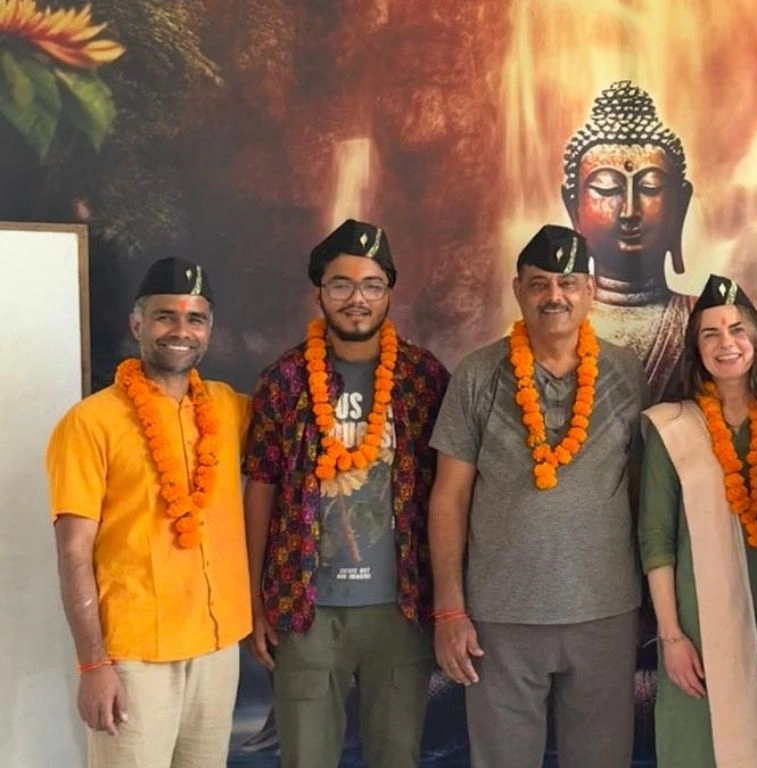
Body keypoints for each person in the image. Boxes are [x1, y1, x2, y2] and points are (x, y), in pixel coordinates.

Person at [428, 224, 645, 767]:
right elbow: (448, 498)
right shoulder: (478, 373)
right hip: (501, 617)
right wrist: (450, 609)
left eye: (568, 282)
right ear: (518, 290)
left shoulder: (626, 371)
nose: (555, 296)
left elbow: (644, 490)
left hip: (605, 611)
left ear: (590, 291)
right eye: (540, 283)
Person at [240, 220, 449, 767]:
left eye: (371, 285)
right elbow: (260, 485)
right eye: (341, 284)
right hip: (305, 608)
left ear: (389, 292)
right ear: (320, 292)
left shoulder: (424, 378)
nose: (357, 299)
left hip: (401, 608)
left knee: (396, 756)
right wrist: (254, 597)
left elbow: (452, 493)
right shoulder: (283, 380)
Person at [45, 257, 250, 767]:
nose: (180, 331)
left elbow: (301, 425)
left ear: (209, 331)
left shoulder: (229, 409)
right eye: (165, 317)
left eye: (195, 318)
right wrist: (94, 664)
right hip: (134, 658)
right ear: (137, 324)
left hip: (218, 650)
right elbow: (74, 552)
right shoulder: (89, 424)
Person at [639, 274, 757, 767]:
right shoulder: (671, 427)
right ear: (695, 349)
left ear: (756, 340)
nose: (725, 343)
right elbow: (656, 539)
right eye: (710, 333)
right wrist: (671, 636)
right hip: (699, 622)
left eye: (736, 329)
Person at [562, 80, 696, 403]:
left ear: (680, 206)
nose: (630, 212)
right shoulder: (554, 320)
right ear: (573, 207)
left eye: (650, 188)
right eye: (607, 189)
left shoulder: (705, 320)